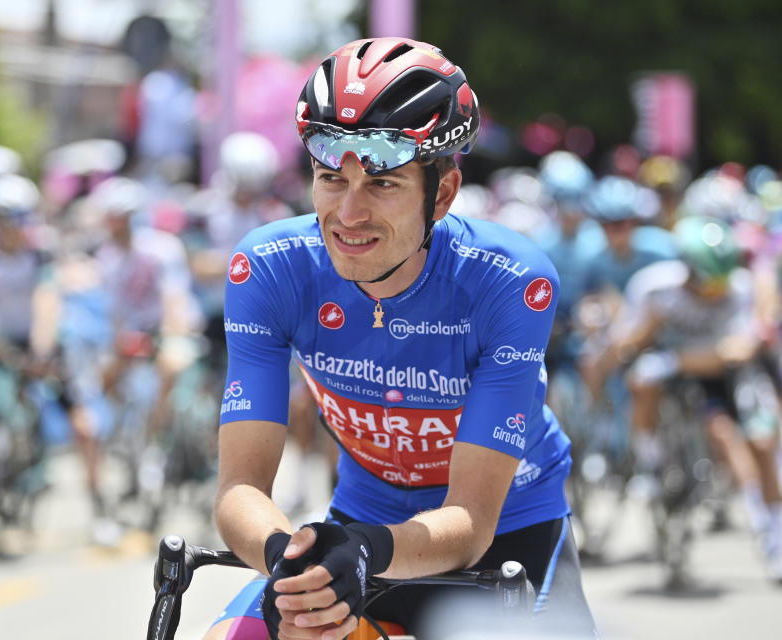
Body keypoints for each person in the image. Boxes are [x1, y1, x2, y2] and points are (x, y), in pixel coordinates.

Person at [205, 37, 597, 639]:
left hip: (507, 530)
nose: (349, 213)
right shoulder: (270, 268)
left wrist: (361, 553)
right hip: (362, 524)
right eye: (331, 178)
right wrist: (293, 567)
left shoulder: (511, 282)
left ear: (441, 194)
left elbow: (469, 520)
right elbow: (238, 490)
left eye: (383, 184)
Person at [588, 216, 782, 582]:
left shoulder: (739, 290)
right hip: (667, 370)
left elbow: (737, 352)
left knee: (746, 438)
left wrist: (677, 359)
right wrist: (637, 340)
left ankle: (769, 531)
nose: (716, 292)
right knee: (642, 381)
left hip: (713, 374)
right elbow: (628, 343)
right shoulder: (655, 288)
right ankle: (649, 461)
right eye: (710, 283)